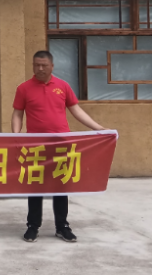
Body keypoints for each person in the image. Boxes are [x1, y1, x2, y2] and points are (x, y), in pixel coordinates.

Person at [13, 50, 105, 243]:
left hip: (61, 145)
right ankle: (33, 226)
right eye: (36, 65)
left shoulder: (63, 86)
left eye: (44, 65)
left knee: (61, 186)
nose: (40, 68)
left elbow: (76, 110)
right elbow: (18, 113)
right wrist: (16, 135)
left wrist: (98, 128)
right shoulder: (24, 88)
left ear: (52, 66)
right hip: (36, 147)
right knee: (35, 187)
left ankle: (62, 226)